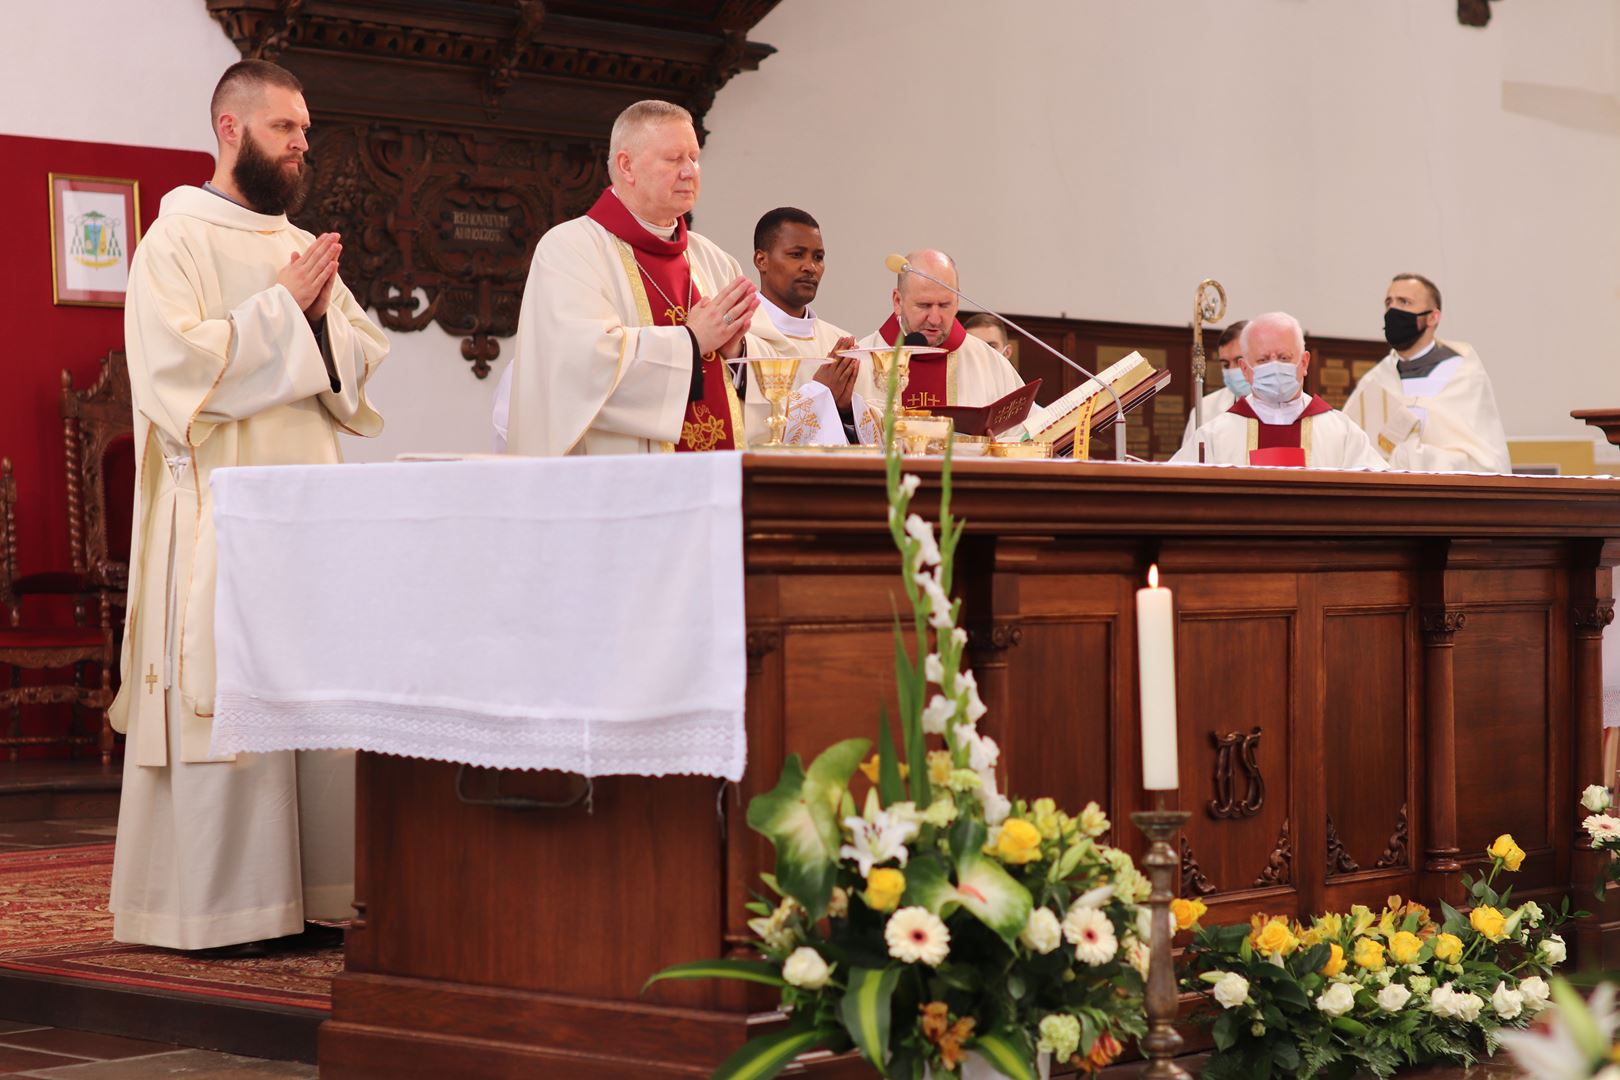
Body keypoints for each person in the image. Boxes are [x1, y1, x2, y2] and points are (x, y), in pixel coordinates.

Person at [109, 59, 388, 951]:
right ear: (231, 129)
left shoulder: (290, 243)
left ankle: (314, 893)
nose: (303, 143)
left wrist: (309, 316)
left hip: (306, 515)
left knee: (309, 695)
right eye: (285, 128)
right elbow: (172, 376)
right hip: (221, 519)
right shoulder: (174, 241)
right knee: (228, 692)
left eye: (305, 128)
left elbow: (356, 366)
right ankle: (224, 910)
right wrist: (284, 311)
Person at [496, 99, 762, 456]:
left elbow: (764, 381)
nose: (690, 171)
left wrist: (735, 352)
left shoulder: (715, 260)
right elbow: (580, 367)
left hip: (716, 477)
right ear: (627, 165)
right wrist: (691, 341)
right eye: (673, 159)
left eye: (694, 158)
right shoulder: (570, 250)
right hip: (619, 482)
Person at [1342, 273, 1511, 473]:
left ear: (1432, 317)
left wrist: (1415, 456)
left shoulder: (1463, 373)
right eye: (1389, 302)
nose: (1393, 310)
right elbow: (1348, 447)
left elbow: (1485, 463)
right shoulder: (1377, 379)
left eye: (1405, 302)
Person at [1172, 312, 1385, 470]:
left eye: (1284, 358)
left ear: (1304, 362)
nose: (1274, 367)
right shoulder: (1214, 436)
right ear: (1246, 370)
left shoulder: (1342, 433)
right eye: (1263, 360)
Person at [851, 249, 1022, 415]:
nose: (934, 319)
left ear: (957, 301)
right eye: (924, 305)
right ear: (897, 301)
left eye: (944, 305)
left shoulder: (990, 364)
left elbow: (1022, 431)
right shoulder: (862, 361)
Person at [743, 206, 857, 445]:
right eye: (797, 255)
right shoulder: (741, 337)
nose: (810, 267)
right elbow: (745, 427)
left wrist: (847, 410)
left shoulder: (839, 343)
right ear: (761, 260)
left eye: (818, 257)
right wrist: (820, 393)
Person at [1179, 320, 1248, 450]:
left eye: (1239, 361)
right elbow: (1187, 464)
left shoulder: (1280, 404)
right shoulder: (1205, 409)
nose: (1232, 370)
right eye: (1226, 364)